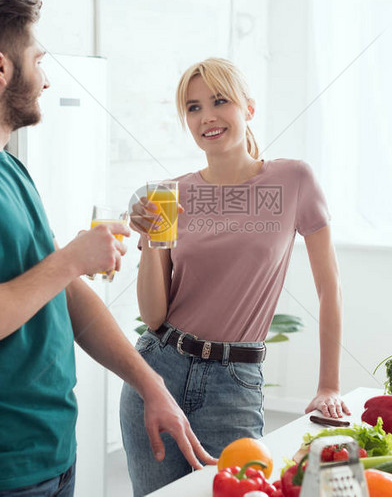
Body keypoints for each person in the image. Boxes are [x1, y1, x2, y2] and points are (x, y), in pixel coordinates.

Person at [0, 0, 214, 497]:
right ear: (0, 67)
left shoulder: (9, 167)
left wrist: (150, 385)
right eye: (37, 61)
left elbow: (65, 293)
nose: (46, 78)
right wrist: (71, 259)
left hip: (51, 455)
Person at [120, 57, 348, 495]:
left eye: (219, 101)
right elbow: (152, 315)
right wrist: (150, 240)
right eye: (192, 107)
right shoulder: (169, 194)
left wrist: (328, 385)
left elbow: (329, 288)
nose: (206, 116)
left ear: (248, 107)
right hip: (158, 371)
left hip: (234, 383)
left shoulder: (293, 180)